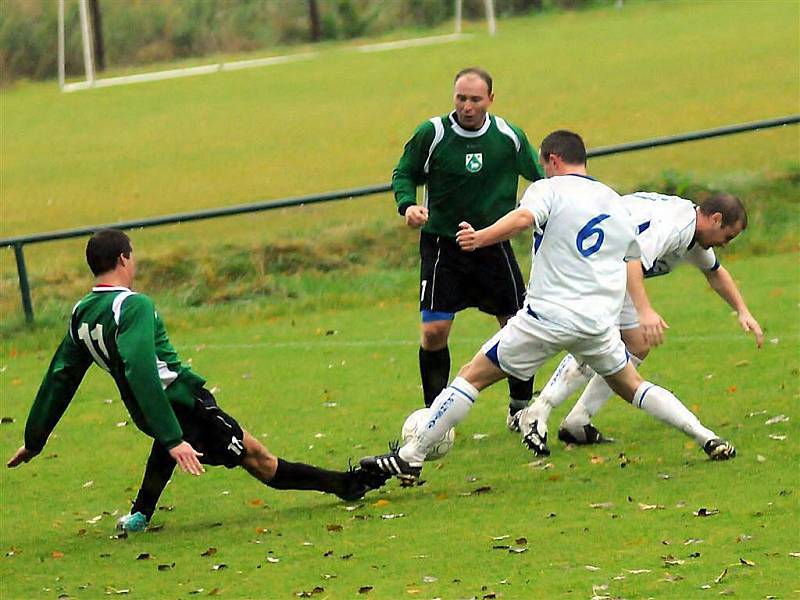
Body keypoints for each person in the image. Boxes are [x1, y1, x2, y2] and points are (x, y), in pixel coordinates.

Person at [360, 130, 735, 481]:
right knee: (633, 385)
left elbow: (523, 218)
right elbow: (632, 258)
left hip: (546, 317)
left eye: (542, 163)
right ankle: (704, 436)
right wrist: (643, 309)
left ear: (552, 159)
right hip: (596, 324)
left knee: (472, 376)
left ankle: (411, 456)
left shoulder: (549, 189)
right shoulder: (614, 201)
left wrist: (481, 237)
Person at [6, 229, 387, 533]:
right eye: (132, 255)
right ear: (124, 258)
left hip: (148, 410)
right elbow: (141, 370)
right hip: (186, 405)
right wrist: (174, 438)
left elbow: (61, 376)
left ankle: (140, 515)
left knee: (166, 444)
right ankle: (347, 485)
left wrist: (34, 439)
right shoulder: (134, 305)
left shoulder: (81, 312)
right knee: (260, 460)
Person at [521, 191, 763, 455]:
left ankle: (578, 421)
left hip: (606, 268)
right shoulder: (676, 227)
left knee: (636, 344)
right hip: (589, 265)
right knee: (595, 341)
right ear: (716, 219)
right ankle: (538, 410)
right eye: (728, 237)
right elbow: (631, 260)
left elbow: (715, 272)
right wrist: (645, 310)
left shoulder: (693, 234)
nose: (725, 244)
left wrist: (743, 311)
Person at [392, 66, 544, 428]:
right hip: (443, 247)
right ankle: (435, 417)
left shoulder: (508, 136)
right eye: (461, 98)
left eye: (475, 99)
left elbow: (541, 180)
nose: (467, 106)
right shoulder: (433, 133)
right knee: (433, 332)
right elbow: (404, 173)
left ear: (491, 99)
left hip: (493, 244)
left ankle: (520, 407)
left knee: (517, 326)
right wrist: (407, 205)